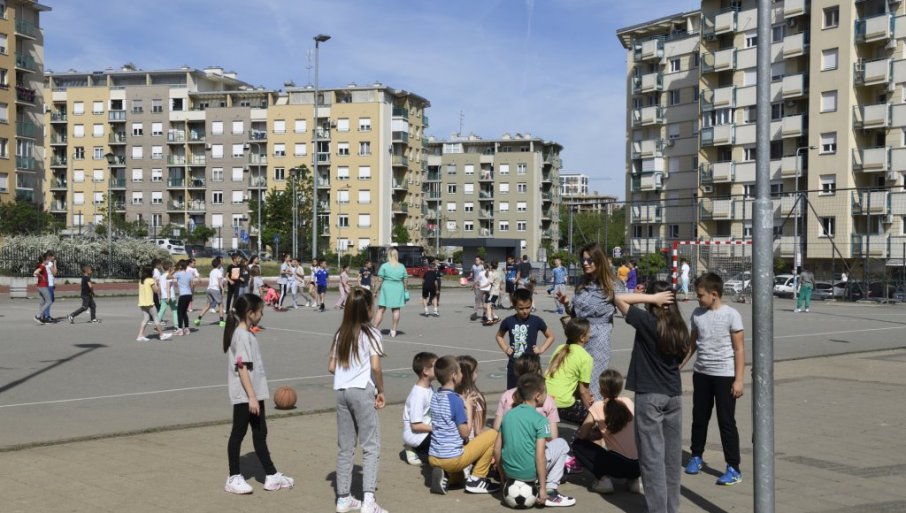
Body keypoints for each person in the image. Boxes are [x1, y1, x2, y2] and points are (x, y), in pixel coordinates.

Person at [614, 281, 689, 513]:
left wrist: (650, 298)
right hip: (674, 396)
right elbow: (682, 357)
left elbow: (618, 298)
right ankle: (672, 508)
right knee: (671, 460)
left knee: (652, 460)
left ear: (656, 301)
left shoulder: (648, 322)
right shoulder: (679, 327)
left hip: (650, 397)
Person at [223, 294, 294, 495]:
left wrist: (256, 396)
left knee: (260, 432)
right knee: (238, 433)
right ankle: (233, 477)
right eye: (260, 311)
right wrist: (252, 397)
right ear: (250, 313)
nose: (262, 314)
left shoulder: (248, 334)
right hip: (245, 395)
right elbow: (242, 368)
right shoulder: (241, 336)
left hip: (254, 393)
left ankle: (271, 475)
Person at [681, 272, 745, 487]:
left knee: (726, 422)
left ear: (714, 294)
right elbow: (692, 345)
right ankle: (696, 456)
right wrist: (678, 365)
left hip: (725, 376)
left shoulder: (732, 315)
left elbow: (739, 349)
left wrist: (739, 380)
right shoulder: (697, 314)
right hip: (702, 374)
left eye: (700, 295)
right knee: (699, 418)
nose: (697, 299)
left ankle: (733, 468)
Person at [329, 287, 388, 513]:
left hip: (341, 390)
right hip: (362, 389)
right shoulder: (372, 334)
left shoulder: (341, 333)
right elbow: (376, 366)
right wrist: (380, 390)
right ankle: (369, 500)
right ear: (367, 309)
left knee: (345, 446)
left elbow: (331, 366)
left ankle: (343, 497)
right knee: (371, 445)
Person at [493, 373, 576, 507]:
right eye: (546, 392)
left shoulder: (508, 416)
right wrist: (542, 488)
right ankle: (551, 491)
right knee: (561, 444)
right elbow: (540, 456)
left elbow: (497, 449)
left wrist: (502, 474)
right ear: (538, 396)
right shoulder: (540, 420)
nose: (547, 396)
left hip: (509, 472)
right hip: (530, 472)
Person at [428, 355, 500, 495]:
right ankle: (477, 479)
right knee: (493, 434)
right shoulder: (456, 401)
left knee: (460, 478)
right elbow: (465, 433)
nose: (462, 374)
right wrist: (468, 407)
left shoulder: (435, 396)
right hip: (452, 458)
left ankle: (446, 477)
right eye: (460, 371)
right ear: (454, 376)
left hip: (434, 456)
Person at [556, 243, 617, 400]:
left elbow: (627, 303)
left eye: (589, 260)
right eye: (583, 260)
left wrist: (651, 298)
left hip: (598, 339)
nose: (585, 263)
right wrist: (566, 304)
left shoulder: (612, 284)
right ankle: (579, 412)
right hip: (578, 338)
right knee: (575, 381)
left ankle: (594, 413)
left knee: (592, 383)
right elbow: (575, 312)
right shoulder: (582, 282)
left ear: (599, 260)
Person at [572, 369, 641, 495]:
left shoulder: (598, 406)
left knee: (577, 444)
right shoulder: (628, 401)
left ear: (601, 390)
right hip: (639, 466)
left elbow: (582, 435)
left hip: (618, 465)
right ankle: (633, 481)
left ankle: (603, 480)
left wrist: (593, 435)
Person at [496, 288, 555, 389]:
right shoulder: (508, 321)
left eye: (528, 307)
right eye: (521, 308)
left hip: (532, 365)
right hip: (514, 364)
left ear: (531, 304)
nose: (525, 311)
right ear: (514, 306)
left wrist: (541, 349)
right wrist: (505, 348)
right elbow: (499, 336)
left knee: (531, 391)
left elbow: (551, 336)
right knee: (513, 392)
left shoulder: (536, 321)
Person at [492, 353, 560, 439]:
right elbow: (553, 436)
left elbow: (497, 426)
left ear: (517, 373)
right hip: (537, 444)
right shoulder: (547, 400)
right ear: (539, 372)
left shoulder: (507, 395)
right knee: (561, 443)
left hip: (510, 442)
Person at [544, 317, 594, 425]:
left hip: (544, 398)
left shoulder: (560, 348)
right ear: (582, 337)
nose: (591, 334)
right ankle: (581, 435)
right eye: (589, 332)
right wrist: (593, 411)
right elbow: (583, 391)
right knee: (592, 419)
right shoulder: (586, 358)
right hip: (561, 404)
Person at [403, 352, 438, 465]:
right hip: (417, 436)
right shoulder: (418, 395)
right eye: (436, 366)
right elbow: (416, 425)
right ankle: (412, 447)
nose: (439, 369)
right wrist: (439, 428)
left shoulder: (430, 388)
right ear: (426, 371)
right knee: (447, 442)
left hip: (427, 431)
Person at [373, 249, 408, 337]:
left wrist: (375, 291)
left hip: (386, 287)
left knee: (381, 309)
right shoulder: (402, 266)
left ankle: (374, 329)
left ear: (389, 255)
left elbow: (379, 280)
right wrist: (405, 290)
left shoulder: (384, 266)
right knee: (396, 310)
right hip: (398, 288)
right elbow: (405, 279)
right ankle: (393, 331)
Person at [136, 266, 172, 341]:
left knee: (146, 319)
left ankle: (140, 335)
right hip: (149, 302)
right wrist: (157, 283)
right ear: (150, 272)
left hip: (142, 303)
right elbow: (156, 290)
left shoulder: (141, 281)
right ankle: (161, 335)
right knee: (156, 318)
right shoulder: (150, 280)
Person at [455, 355, 486, 440]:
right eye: (475, 371)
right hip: (469, 441)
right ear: (468, 375)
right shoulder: (475, 397)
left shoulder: (451, 394)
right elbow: (478, 431)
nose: (477, 374)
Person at [196, 257, 225, 327]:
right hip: (215, 289)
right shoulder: (219, 272)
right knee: (220, 305)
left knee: (208, 305)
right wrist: (222, 289)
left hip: (209, 289)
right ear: (219, 264)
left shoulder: (211, 271)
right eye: (220, 263)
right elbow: (219, 281)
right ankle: (221, 321)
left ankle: (198, 319)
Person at [174, 259, 196, 336]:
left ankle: (180, 329)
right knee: (184, 312)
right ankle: (187, 329)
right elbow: (192, 285)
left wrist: (174, 269)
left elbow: (168, 276)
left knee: (179, 312)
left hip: (183, 295)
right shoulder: (190, 274)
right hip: (189, 294)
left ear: (180, 266)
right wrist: (192, 295)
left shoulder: (178, 273)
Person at [156, 261, 178, 328]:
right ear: (169, 268)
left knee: (161, 311)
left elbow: (160, 288)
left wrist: (160, 296)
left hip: (164, 296)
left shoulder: (161, 276)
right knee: (174, 311)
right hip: (171, 296)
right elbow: (169, 286)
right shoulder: (169, 276)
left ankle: (156, 325)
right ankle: (176, 326)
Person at [33, 253, 51, 325]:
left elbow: (34, 273)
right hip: (43, 287)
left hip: (40, 286)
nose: (48, 261)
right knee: (49, 301)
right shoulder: (42, 266)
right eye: (47, 260)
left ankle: (42, 318)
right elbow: (35, 272)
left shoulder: (41, 265)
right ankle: (38, 316)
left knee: (42, 303)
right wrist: (42, 276)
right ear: (44, 260)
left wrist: (40, 276)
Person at [469, 256, 485, 321]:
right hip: (475, 283)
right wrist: (470, 276)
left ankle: (484, 313)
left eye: (478, 260)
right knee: (477, 297)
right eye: (475, 260)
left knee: (483, 299)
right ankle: (475, 313)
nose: (476, 261)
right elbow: (471, 273)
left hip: (482, 284)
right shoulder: (473, 266)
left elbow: (485, 274)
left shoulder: (482, 266)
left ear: (480, 260)